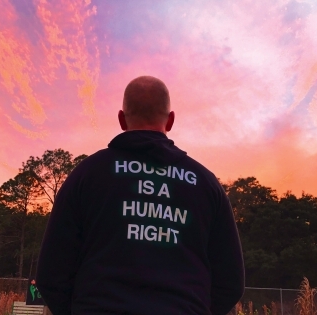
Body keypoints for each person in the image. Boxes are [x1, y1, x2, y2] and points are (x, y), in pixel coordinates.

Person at [36, 76, 244, 315]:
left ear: (122, 119)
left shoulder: (87, 174)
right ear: (171, 120)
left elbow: (51, 273)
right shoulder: (206, 184)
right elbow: (231, 282)